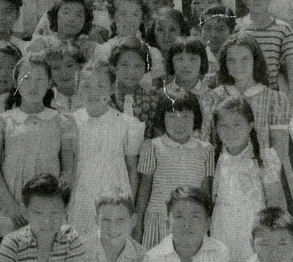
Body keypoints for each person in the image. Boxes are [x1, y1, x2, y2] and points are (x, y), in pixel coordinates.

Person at [0, 54, 74, 239]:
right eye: (26, 79)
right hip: (11, 204)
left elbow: (68, 168)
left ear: (50, 81)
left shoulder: (62, 121)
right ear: (15, 81)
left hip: (47, 204)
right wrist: (11, 205)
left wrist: (54, 203)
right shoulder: (4, 120)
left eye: (40, 79)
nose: (33, 85)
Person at [68, 60, 145, 236]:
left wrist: (130, 205)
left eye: (101, 86)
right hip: (82, 194)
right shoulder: (72, 122)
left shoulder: (126, 124)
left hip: (115, 191)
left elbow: (132, 169)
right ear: (78, 89)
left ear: (112, 89)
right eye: (86, 86)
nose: (93, 92)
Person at [211, 96, 284, 262]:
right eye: (223, 125)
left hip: (253, 229)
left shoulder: (264, 159)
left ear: (250, 126)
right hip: (222, 228)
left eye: (237, 124)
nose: (230, 131)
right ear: (216, 129)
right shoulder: (215, 158)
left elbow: (276, 203)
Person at [136, 93, 214, 249]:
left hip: (191, 221)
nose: (180, 123)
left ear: (195, 118)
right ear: (162, 119)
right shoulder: (153, 147)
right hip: (158, 219)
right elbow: (144, 188)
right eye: (172, 117)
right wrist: (138, 224)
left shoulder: (206, 150)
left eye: (186, 116)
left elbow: (206, 192)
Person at [213, 33, 292, 163]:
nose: (238, 65)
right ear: (224, 63)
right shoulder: (214, 97)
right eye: (231, 60)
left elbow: (278, 151)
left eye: (245, 59)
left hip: (259, 175)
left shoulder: (274, 100)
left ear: (255, 60)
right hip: (224, 173)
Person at [236, 0, 293, 108]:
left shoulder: (283, 29)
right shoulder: (237, 27)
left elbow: (291, 64)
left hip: (270, 94)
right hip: (241, 95)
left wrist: (291, 95)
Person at [95, 0, 165, 87]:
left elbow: (156, 90)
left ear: (142, 18)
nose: (129, 20)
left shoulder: (153, 54)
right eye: (123, 14)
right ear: (112, 17)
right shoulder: (103, 51)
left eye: (135, 14)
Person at [163, 37, 216, 141]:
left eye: (193, 59)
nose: (186, 65)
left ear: (202, 62)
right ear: (171, 62)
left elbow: (214, 136)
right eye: (179, 59)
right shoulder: (163, 95)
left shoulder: (213, 97)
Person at [109, 37, 159, 139]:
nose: (131, 72)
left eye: (137, 66)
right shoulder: (106, 98)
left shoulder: (153, 98)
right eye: (124, 65)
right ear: (114, 67)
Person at [28, 0, 96, 60]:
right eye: (66, 13)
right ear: (55, 16)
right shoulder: (41, 44)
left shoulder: (89, 48)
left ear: (85, 20)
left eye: (78, 15)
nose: (71, 19)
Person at [199, 4, 235, 86]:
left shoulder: (240, 58)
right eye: (207, 29)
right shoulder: (195, 57)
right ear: (200, 30)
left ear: (232, 31)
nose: (213, 35)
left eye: (220, 29)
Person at [46, 42, 86, 113]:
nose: (64, 73)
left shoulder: (90, 93)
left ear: (79, 67)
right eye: (56, 68)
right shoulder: (46, 98)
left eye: (69, 66)